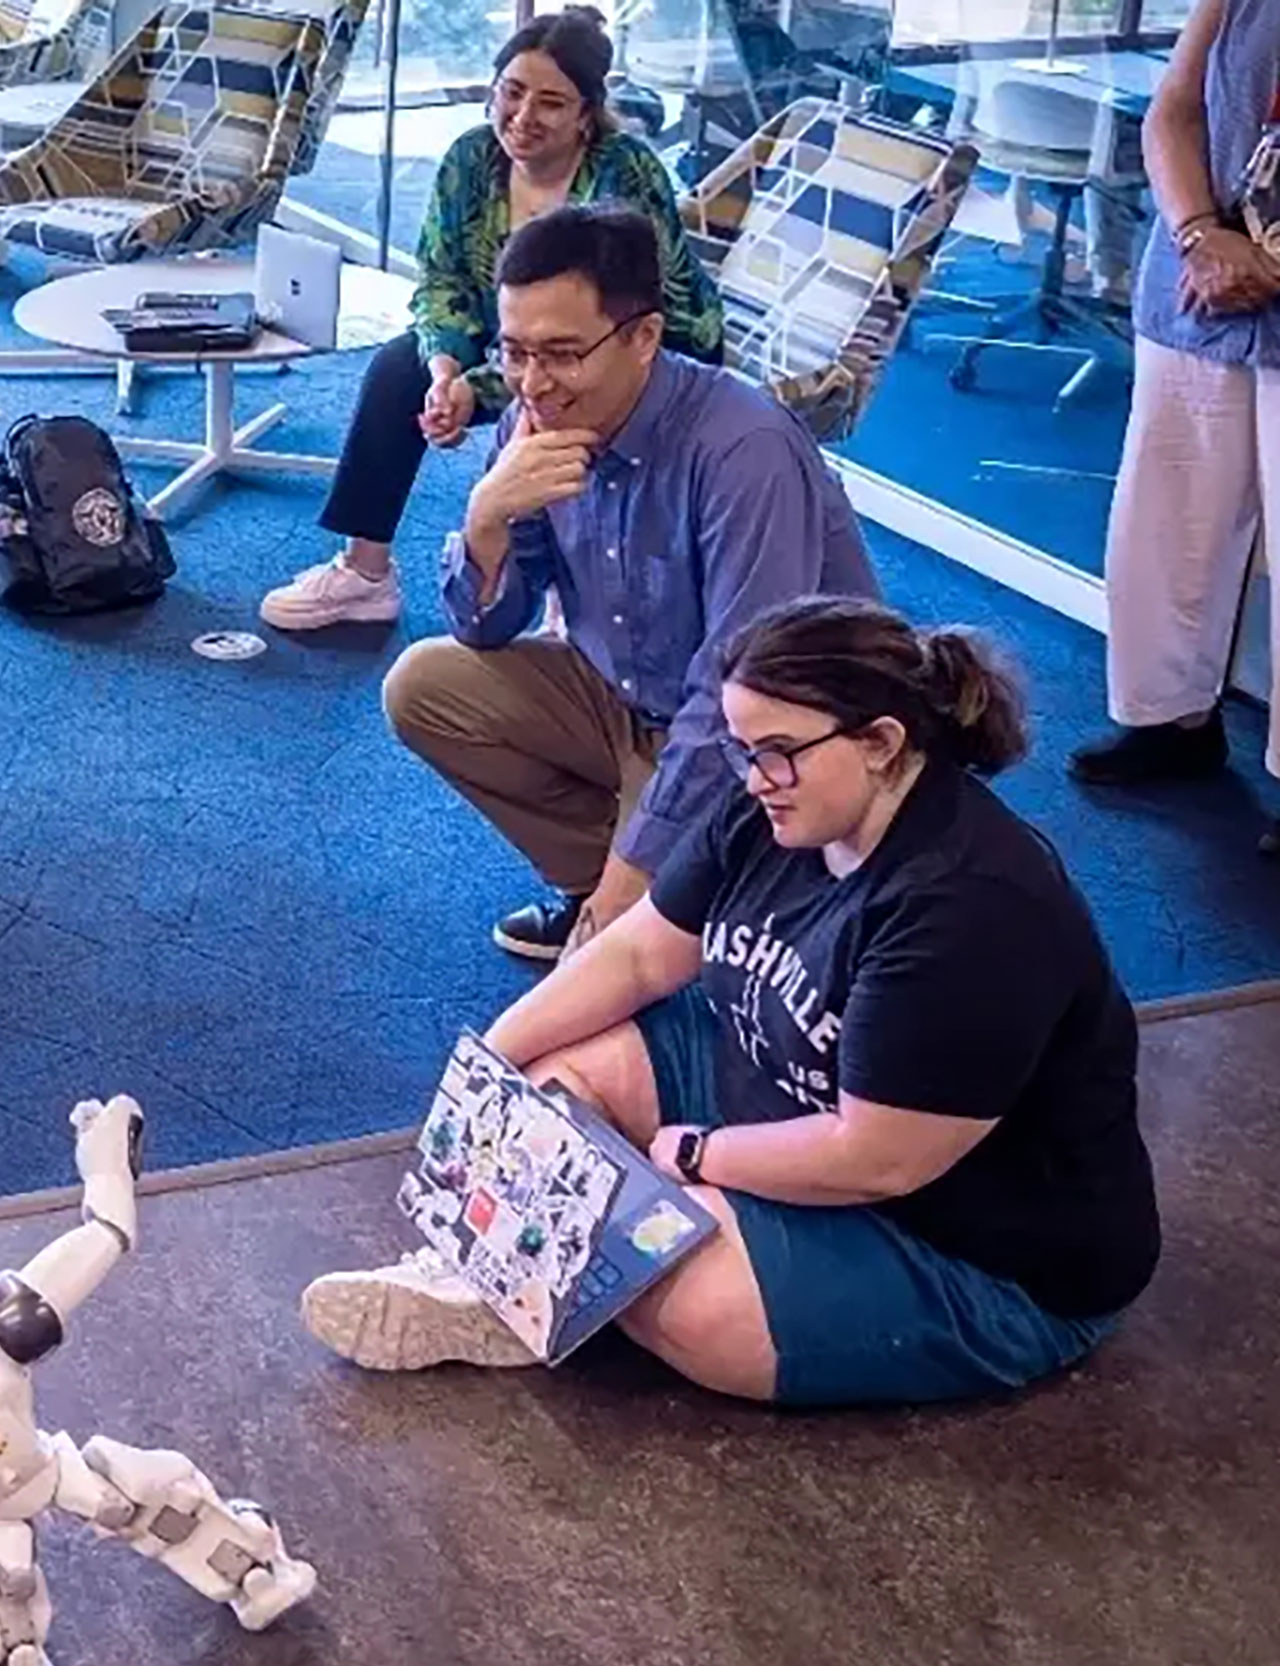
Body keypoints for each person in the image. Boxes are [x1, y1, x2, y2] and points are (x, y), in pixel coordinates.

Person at [305, 597, 1159, 1408]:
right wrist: (488, 1069)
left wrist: (695, 1158)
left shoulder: (969, 909)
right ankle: (522, 1283)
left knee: (690, 1297)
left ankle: (526, 1279)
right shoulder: (783, 803)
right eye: (745, 751)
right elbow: (640, 953)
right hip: (795, 1086)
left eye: (777, 751)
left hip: (973, 1246)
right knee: (558, 1070)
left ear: (882, 742)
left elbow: (877, 1160)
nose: (756, 779)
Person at [386, 203, 878, 962]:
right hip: (630, 704)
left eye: (561, 353)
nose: (533, 384)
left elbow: (741, 696)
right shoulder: (534, 419)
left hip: (771, 744)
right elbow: (484, 628)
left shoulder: (742, 452)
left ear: (644, 337)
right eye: (513, 353)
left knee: (625, 985)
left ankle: (676, 907)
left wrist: (634, 870)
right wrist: (486, 518)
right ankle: (641, 900)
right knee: (425, 686)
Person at [260, 6, 724, 633]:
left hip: (627, 345)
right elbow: (441, 276)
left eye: (552, 103)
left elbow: (603, 330)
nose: (523, 117)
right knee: (398, 370)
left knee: (558, 403)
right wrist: (444, 370)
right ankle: (364, 573)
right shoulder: (472, 158)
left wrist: (474, 389)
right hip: (515, 340)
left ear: (586, 115)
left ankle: (574, 596)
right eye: (512, 92)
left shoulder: (623, 174)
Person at [1066, 0, 1280, 854]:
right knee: (1168, 525)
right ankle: (1170, 720)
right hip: (1201, 287)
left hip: (1251, 273)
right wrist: (1199, 234)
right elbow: (1174, 109)